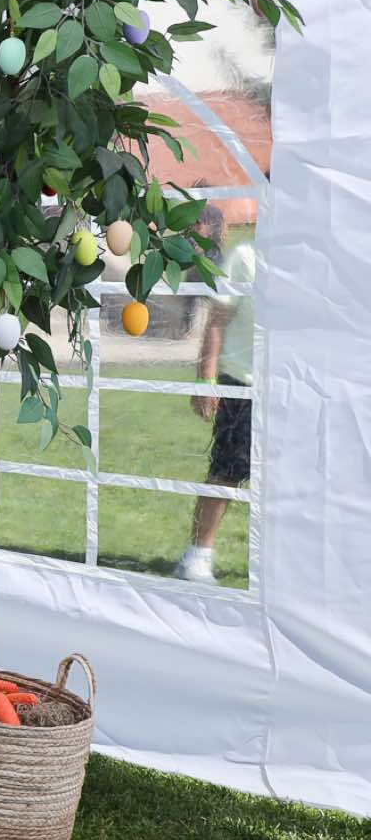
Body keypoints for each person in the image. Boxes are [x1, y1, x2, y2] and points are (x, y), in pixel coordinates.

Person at [178, 205, 255, 585]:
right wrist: (206, 380)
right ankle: (197, 556)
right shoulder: (246, 256)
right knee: (226, 473)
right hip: (241, 382)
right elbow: (217, 322)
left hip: (290, 388)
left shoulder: (310, 262)